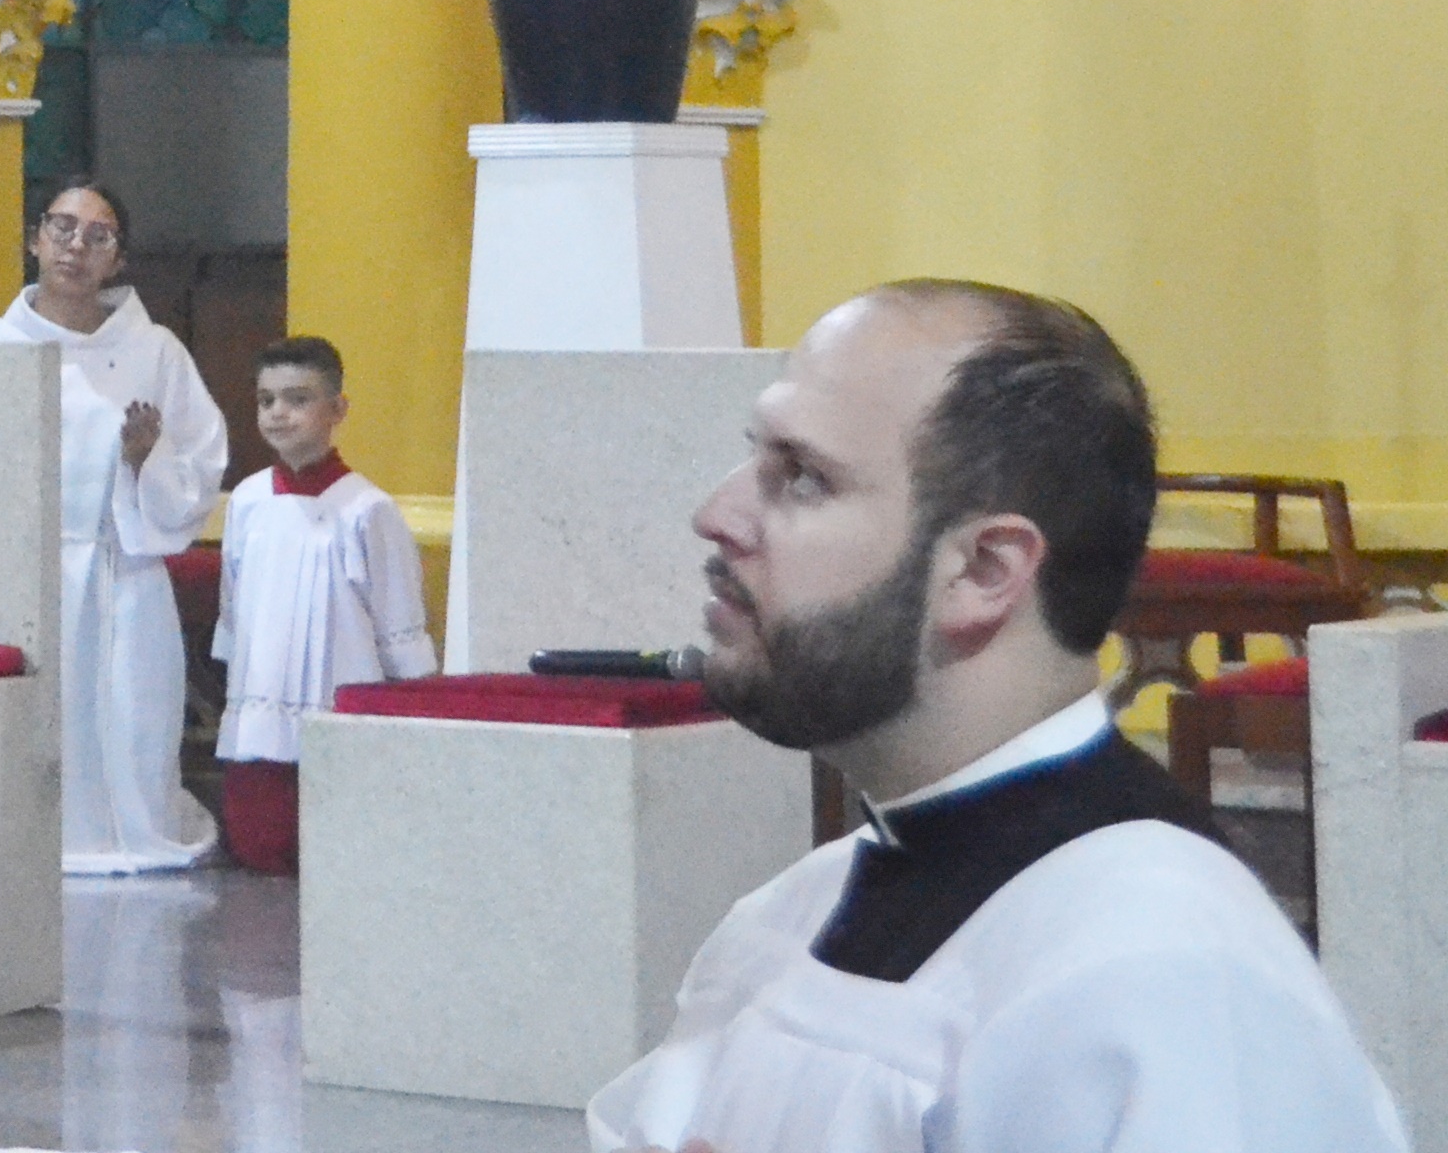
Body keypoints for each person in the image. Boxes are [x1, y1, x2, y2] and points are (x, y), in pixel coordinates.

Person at [592, 282, 1399, 1153]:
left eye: (803, 478)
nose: (716, 516)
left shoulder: (1163, 967)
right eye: (755, 457)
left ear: (984, 571)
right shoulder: (789, 913)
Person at [0, 180, 226, 874]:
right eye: (62, 227)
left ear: (119, 259)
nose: (76, 246)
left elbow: (201, 462)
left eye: (98, 235)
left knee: (129, 718)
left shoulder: (156, 352)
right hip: (24, 577)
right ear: (35, 238)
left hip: (122, 569)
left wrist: (147, 461)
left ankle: (133, 830)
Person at [208, 333, 431, 875]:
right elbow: (234, 600)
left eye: (298, 399)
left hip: (343, 704)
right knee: (260, 853)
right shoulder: (248, 500)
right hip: (262, 706)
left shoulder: (367, 509)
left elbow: (397, 617)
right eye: (266, 400)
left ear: (338, 410)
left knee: (340, 858)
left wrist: (409, 694)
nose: (278, 413)